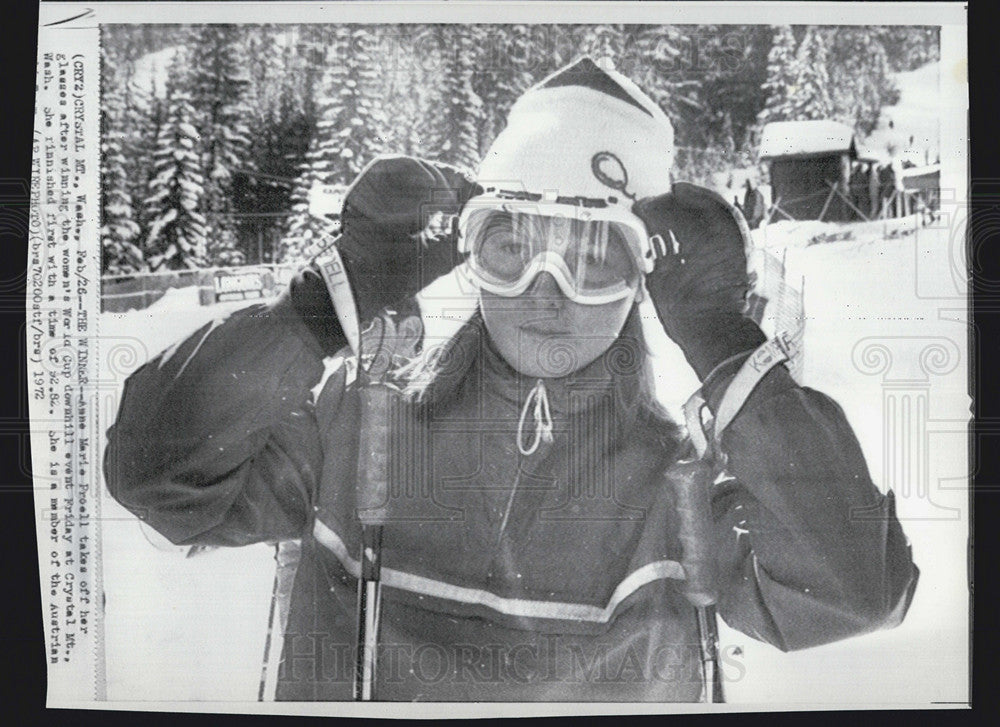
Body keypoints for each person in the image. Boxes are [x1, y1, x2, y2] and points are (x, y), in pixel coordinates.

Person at [104, 58, 918, 702]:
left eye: (592, 259)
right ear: (470, 254)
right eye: (511, 246)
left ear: (643, 280)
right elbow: (155, 473)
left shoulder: (682, 492)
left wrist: (726, 345)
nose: (545, 291)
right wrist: (320, 309)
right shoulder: (355, 429)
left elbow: (854, 590)